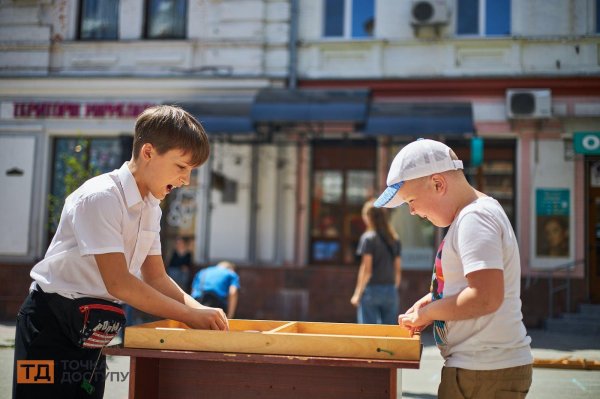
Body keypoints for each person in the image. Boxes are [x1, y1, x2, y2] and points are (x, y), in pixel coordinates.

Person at [13, 105, 228, 399]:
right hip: (48, 325)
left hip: (94, 329)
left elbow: (155, 277)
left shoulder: (151, 205)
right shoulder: (101, 197)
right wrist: (189, 316)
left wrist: (200, 310)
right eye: (181, 167)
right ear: (148, 152)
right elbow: (120, 283)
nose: (185, 180)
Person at [374, 139, 533, 399]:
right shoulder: (470, 216)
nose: (412, 211)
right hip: (482, 368)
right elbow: (464, 286)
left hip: (483, 369)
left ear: (438, 184)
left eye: (411, 200)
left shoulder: (474, 218)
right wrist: (430, 302)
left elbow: (485, 297)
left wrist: (429, 314)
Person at [350, 199, 402, 325]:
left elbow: (366, 270)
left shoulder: (368, 238)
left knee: (369, 334)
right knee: (388, 334)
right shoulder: (394, 239)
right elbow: (398, 269)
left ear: (369, 217)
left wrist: (357, 293)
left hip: (372, 290)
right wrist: (393, 288)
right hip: (390, 290)